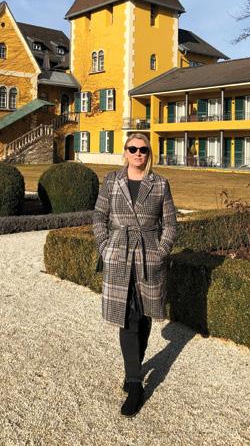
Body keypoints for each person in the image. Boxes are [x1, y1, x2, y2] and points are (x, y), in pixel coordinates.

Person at [93, 133, 177, 417]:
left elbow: (170, 224)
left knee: (143, 315)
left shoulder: (160, 183)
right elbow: (99, 217)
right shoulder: (111, 181)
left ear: (148, 153)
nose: (138, 153)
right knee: (126, 315)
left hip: (148, 255)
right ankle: (135, 382)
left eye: (143, 149)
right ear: (125, 152)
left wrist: (160, 252)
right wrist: (105, 248)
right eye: (133, 149)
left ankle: (133, 369)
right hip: (119, 253)